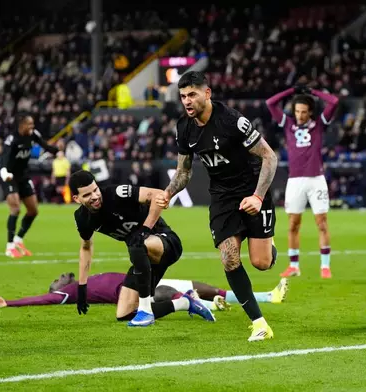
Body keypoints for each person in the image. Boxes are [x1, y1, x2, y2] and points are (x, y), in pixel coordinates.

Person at [158, 71, 279, 341]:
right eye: (183, 96)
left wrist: (258, 197)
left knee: (261, 262)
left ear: (207, 93)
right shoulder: (184, 127)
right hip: (223, 198)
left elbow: (269, 157)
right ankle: (259, 322)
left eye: (192, 95)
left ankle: (270, 251)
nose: (187, 101)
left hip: (252, 192)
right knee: (229, 257)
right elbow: (184, 171)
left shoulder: (233, 121)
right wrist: (168, 193)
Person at [69, 170, 214, 327]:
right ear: (76, 199)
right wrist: (82, 287)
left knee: (137, 244)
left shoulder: (116, 193)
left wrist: (145, 229)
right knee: (124, 313)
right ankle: (186, 302)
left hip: (166, 243)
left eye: (95, 190)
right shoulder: (82, 218)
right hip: (142, 257)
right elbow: (85, 248)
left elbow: (158, 195)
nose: (95, 196)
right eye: (87, 195)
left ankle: (145, 312)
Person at [265, 84, 339, 279]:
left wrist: (313, 92)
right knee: (292, 224)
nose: (300, 115)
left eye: (304, 112)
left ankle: (325, 266)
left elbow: (334, 101)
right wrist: (291, 91)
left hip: (316, 179)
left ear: (310, 112)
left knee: (322, 223)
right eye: (297, 111)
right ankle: (294, 266)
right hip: (295, 181)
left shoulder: (320, 124)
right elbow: (270, 103)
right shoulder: (288, 123)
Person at [0, 273, 289, 313]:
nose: (60, 277)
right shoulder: (68, 292)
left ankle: (265, 297)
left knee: (202, 286)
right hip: (131, 288)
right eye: (57, 281)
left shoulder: (84, 277)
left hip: (139, 274)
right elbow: (42, 299)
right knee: (169, 291)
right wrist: (8, 302)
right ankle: (190, 304)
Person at [0, 115, 59, 258]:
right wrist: (4, 172)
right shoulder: (12, 139)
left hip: (23, 176)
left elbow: (45, 146)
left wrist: (56, 150)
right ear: (21, 125)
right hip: (9, 176)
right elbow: (4, 159)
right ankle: (9, 247)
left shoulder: (33, 135)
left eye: (33, 124)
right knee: (15, 208)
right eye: (29, 124)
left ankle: (18, 240)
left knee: (33, 210)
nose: (32, 127)